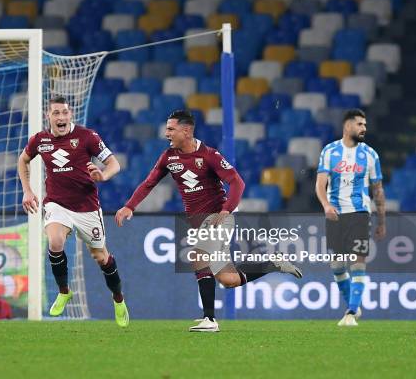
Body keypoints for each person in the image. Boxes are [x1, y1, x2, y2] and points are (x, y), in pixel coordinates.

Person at [115, 110, 302, 332]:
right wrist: (129, 205)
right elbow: (148, 183)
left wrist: (226, 210)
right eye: (167, 128)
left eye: (171, 129)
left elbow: (237, 183)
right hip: (199, 222)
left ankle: (210, 320)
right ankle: (272, 263)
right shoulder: (168, 157)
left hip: (217, 218)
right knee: (228, 279)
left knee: (197, 256)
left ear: (186, 131)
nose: (166, 133)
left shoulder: (209, 155)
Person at [18, 96, 129, 327]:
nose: (61, 117)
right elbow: (23, 160)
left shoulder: (87, 136)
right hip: (57, 204)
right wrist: (27, 191)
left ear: (71, 115)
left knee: (101, 257)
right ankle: (64, 290)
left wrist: (102, 175)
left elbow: (114, 164)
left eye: (64, 113)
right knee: (55, 241)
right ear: (48, 116)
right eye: (56, 113)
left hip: (87, 208)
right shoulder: (40, 140)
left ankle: (118, 299)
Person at [316, 108, 385, 326]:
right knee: (336, 265)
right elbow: (320, 184)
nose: (364, 128)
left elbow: (378, 189)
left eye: (365, 125)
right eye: (360, 124)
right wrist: (326, 205)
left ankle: (351, 312)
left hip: (359, 213)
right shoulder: (329, 151)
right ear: (348, 126)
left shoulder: (370, 154)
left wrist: (382, 220)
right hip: (335, 213)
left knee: (357, 261)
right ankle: (353, 304)